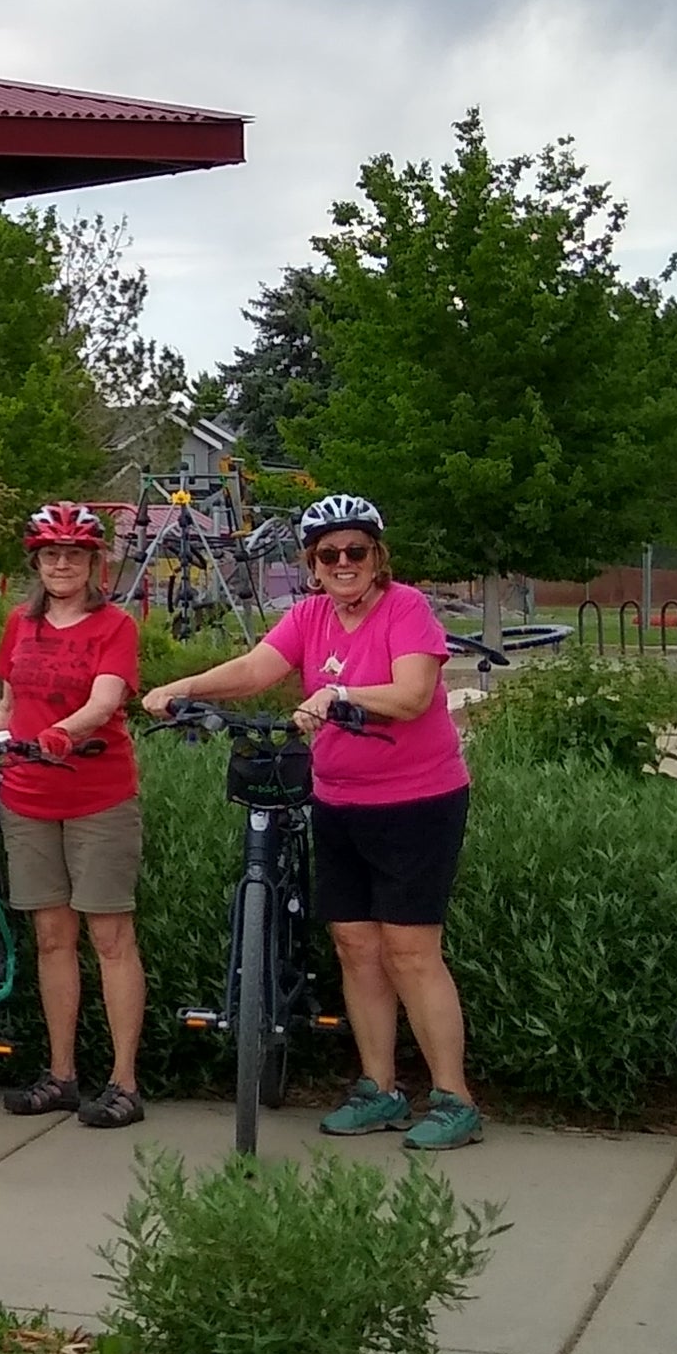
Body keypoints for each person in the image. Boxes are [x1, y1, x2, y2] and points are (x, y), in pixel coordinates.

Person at [144, 491, 483, 1152]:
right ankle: (379, 1088)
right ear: (313, 564)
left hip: (418, 801)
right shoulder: (309, 617)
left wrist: (338, 695)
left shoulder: (406, 609)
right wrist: (183, 687)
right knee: (356, 948)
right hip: (339, 800)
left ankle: (454, 1097)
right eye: (330, 554)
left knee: (410, 951)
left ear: (377, 556)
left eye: (356, 550)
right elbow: (254, 669)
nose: (344, 561)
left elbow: (413, 695)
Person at [0, 502, 148, 1128]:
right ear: (36, 561)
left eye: (74, 555)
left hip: (97, 797)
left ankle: (125, 1082)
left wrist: (59, 734)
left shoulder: (115, 626)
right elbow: (7, 705)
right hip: (27, 798)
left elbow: (106, 700)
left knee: (110, 937)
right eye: (50, 554)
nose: (61, 564)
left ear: (92, 564)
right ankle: (62, 1075)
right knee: (52, 938)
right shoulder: (19, 625)